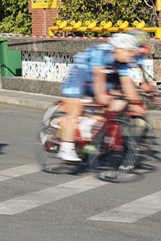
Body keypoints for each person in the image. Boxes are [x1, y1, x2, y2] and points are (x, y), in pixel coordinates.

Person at [56, 33, 143, 162]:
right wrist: (101, 95)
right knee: (76, 107)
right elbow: (98, 75)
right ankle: (66, 147)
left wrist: (136, 103)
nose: (131, 55)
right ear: (118, 49)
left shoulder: (122, 61)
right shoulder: (101, 52)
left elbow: (126, 83)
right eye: (129, 51)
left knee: (114, 102)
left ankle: (88, 125)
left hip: (95, 79)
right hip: (80, 74)